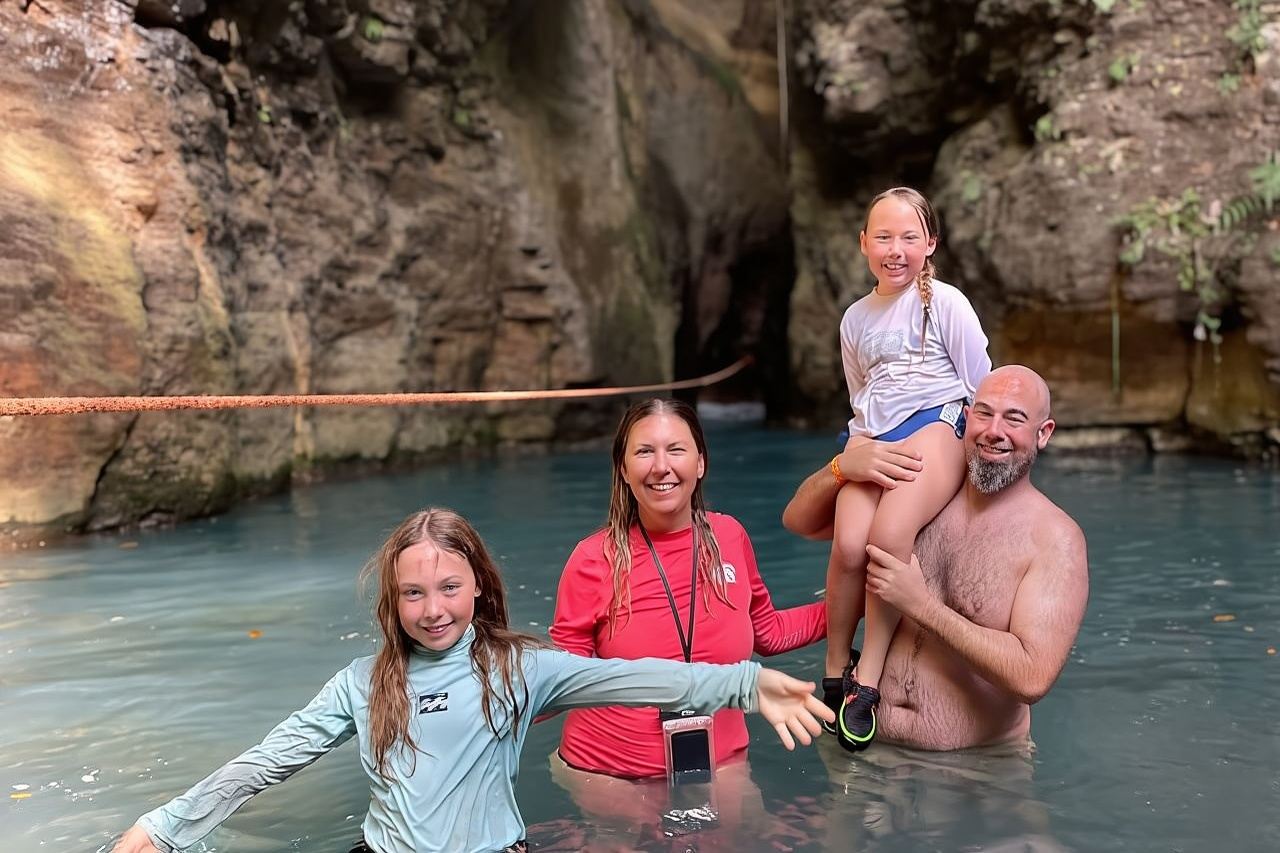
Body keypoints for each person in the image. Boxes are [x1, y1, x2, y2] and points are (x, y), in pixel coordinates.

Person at [111, 508, 833, 853]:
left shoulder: (518, 669)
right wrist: (161, 827)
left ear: (479, 587)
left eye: (449, 588)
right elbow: (268, 760)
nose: (433, 610)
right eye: (414, 594)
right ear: (393, 600)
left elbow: (631, 677)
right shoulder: (359, 683)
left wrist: (745, 684)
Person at [548, 399, 827, 827]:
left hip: (720, 761)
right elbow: (559, 682)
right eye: (644, 452)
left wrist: (856, 605)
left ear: (700, 463)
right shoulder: (593, 559)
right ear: (623, 469)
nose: (661, 467)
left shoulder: (730, 536)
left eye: (676, 450)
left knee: (750, 836)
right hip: (610, 773)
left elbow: (767, 631)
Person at [783, 365, 1089, 751]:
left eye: (1014, 419)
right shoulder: (920, 496)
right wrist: (841, 468)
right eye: (983, 413)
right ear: (966, 417)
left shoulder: (1055, 540)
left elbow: (1032, 677)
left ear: (1043, 433)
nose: (994, 431)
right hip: (863, 750)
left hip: (977, 770)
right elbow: (798, 521)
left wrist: (922, 606)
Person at [818, 186, 991, 752]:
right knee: (849, 545)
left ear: (930, 243)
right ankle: (834, 667)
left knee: (888, 537)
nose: (896, 250)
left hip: (935, 423)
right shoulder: (854, 317)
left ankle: (867, 680)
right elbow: (859, 391)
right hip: (871, 437)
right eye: (884, 237)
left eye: (909, 237)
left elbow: (979, 383)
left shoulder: (946, 303)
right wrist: (859, 448)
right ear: (864, 243)